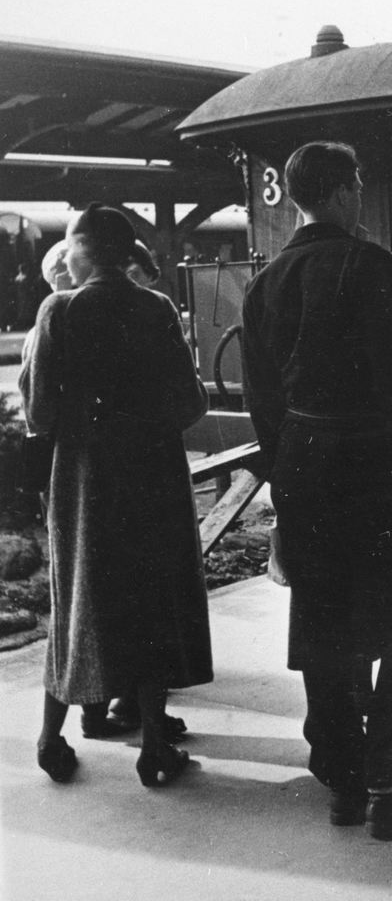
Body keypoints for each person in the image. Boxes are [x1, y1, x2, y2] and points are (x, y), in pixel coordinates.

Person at [242, 141, 392, 840]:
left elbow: (261, 402)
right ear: (342, 191)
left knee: (327, 622)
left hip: (302, 467)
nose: (362, 197)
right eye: (359, 186)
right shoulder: (366, 263)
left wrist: (287, 477)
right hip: (372, 467)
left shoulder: (264, 282)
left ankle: (344, 779)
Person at [20, 203, 212, 786]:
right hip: (154, 477)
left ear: (81, 251)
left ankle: (50, 738)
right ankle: (154, 746)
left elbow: (38, 413)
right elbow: (191, 404)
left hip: (85, 483)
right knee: (150, 599)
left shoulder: (58, 310)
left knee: (77, 599)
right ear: (127, 253)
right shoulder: (157, 308)